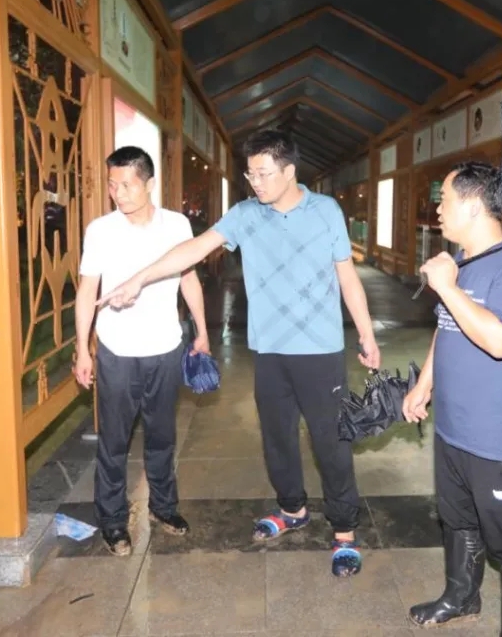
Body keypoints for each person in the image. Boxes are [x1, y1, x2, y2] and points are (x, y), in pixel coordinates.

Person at [97, 128, 382, 577]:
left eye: (264, 174)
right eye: (251, 174)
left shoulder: (326, 211)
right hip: (268, 350)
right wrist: (140, 278)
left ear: (289, 171)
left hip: (320, 350)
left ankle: (344, 529)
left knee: (331, 441)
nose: (256, 183)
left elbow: (346, 276)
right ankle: (292, 509)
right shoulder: (246, 214)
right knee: (277, 438)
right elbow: (193, 249)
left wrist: (366, 332)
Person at [402, 161, 502, 635]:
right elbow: (447, 328)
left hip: (497, 437)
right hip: (453, 426)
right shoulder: (463, 262)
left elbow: (500, 341)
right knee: (457, 518)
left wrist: (446, 287)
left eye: (444, 199)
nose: (438, 209)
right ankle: (461, 597)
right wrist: (424, 385)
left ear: (471, 204)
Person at [73, 146, 210, 556]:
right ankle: (113, 521)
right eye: (112, 185)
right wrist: (83, 348)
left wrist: (202, 331)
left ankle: (163, 507)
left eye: (127, 185)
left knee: (162, 436)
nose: (118, 193)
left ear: (149, 184)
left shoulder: (176, 224)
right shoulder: (101, 230)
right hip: (117, 351)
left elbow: (189, 279)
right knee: (113, 441)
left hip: (165, 347)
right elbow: (87, 291)